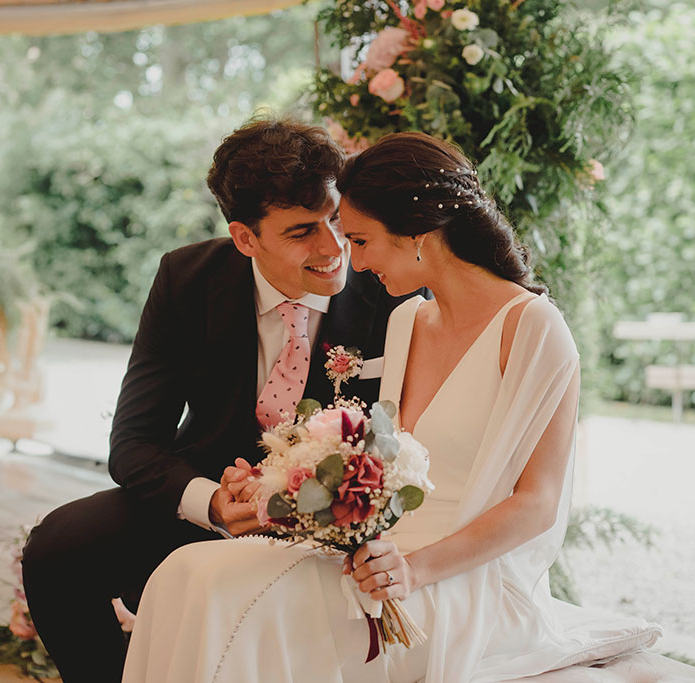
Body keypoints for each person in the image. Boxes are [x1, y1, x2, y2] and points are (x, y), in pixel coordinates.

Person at [120, 131, 661, 683]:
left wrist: (414, 570)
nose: (347, 259)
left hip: (462, 575)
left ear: (418, 233)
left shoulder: (534, 327)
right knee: (186, 573)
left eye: (359, 239)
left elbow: (539, 504)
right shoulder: (406, 322)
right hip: (378, 556)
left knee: (239, 601)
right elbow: (381, 469)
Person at [21, 118, 417, 682]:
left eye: (336, 218)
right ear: (245, 238)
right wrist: (210, 503)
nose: (334, 248)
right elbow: (133, 443)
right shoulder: (187, 279)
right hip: (212, 508)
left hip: (342, 522)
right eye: (302, 231)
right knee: (56, 550)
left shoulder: (389, 282)